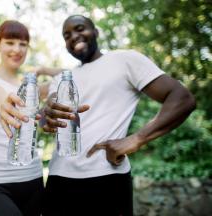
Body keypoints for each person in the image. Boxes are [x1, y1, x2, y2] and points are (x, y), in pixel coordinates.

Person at [39, 15, 196, 216]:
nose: (74, 37)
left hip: (106, 178)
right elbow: (45, 121)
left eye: (80, 29)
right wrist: (48, 114)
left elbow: (182, 98)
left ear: (95, 32)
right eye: (67, 35)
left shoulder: (124, 60)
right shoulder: (62, 78)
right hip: (59, 179)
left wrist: (137, 139)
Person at [0, 20, 59, 216]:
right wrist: (5, 102)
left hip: (32, 180)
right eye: (10, 42)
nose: (16, 49)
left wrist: (42, 70)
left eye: (23, 44)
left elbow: (71, 75)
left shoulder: (33, 88)